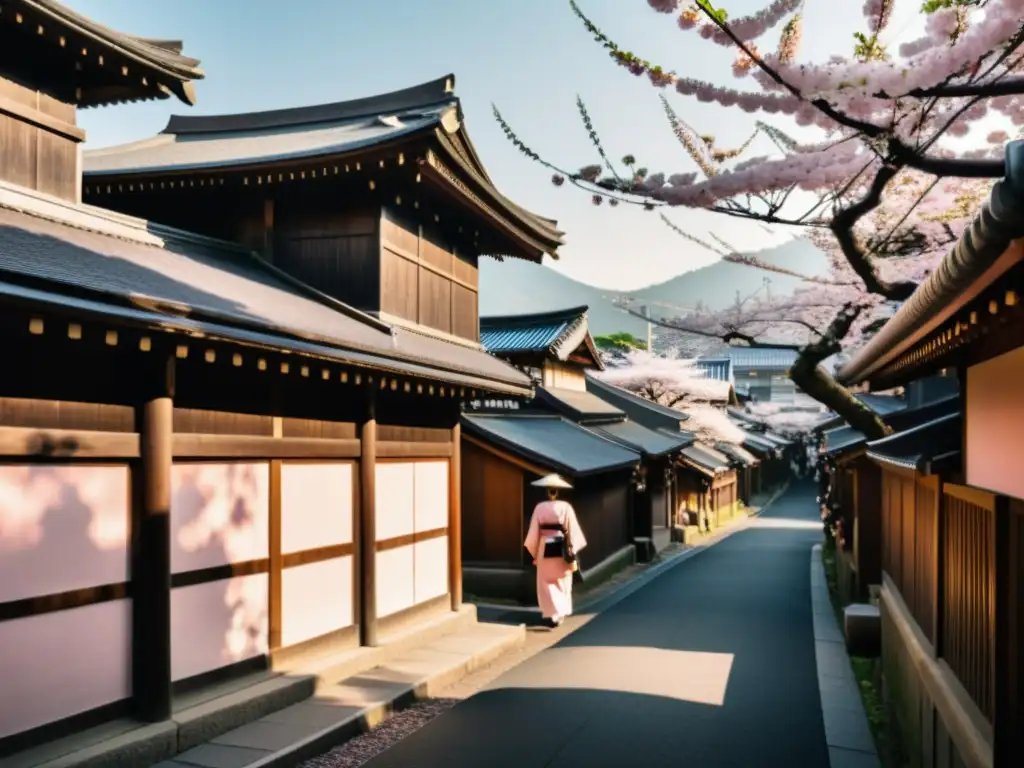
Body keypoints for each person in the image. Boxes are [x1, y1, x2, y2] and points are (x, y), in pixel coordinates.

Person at [523, 474, 587, 628]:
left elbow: (533, 532)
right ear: (558, 492)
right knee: (562, 580)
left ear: (547, 492)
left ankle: (551, 613)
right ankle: (559, 612)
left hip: (545, 545)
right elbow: (572, 530)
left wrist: (534, 550)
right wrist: (571, 548)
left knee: (545, 581)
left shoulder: (539, 507)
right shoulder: (565, 507)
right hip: (561, 546)